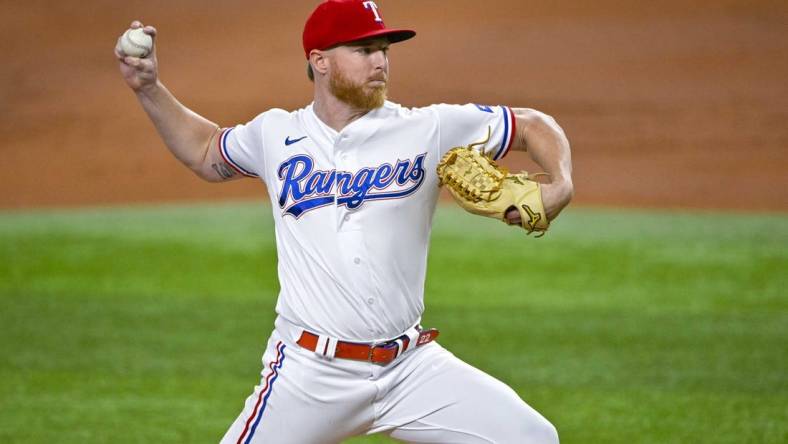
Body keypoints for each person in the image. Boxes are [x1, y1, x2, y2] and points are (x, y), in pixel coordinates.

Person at [115, 1, 572, 442]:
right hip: (310, 375)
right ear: (320, 61)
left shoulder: (428, 128)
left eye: (385, 50)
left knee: (532, 437)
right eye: (364, 50)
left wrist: (560, 185)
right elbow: (205, 150)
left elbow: (532, 124)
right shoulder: (275, 134)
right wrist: (149, 89)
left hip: (408, 369)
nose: (380, 63)